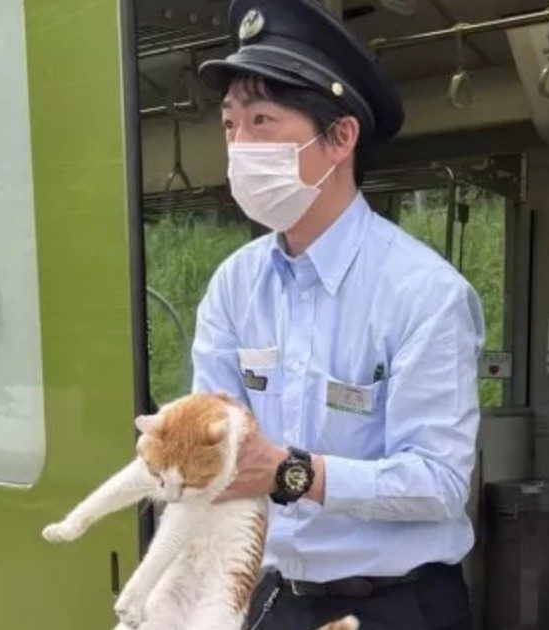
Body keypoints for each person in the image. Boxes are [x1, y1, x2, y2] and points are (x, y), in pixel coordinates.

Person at [190, 1, 484, 628]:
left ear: (340, 138)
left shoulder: (423, 292)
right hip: (274, 600)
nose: (240, 147)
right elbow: (216, 438)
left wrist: (294, 472)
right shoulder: (235, 286)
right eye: (230, 125)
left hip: (396, 603)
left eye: (263, 120)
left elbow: (438, 482)